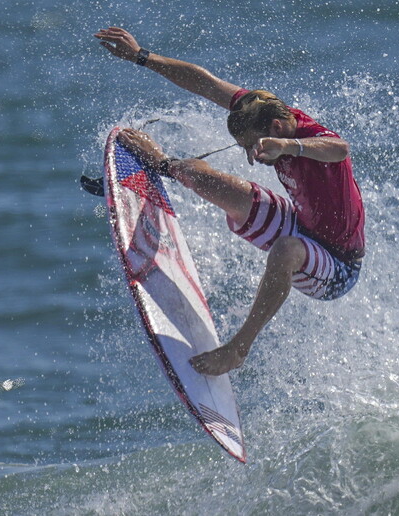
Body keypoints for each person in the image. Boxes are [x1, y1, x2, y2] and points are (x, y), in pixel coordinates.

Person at [94, 27, 365, 376]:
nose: (252, 154)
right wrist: (141, 56)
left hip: (338, 265)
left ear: (279, 128)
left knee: (286, 250)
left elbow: (340, 149)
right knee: (199, 173)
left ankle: (237, 350)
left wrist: (287, 148)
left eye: (254, 144)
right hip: (302, 224)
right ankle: (161, 164)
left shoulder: (310, 138)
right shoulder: (260, 110)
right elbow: (204, 83)